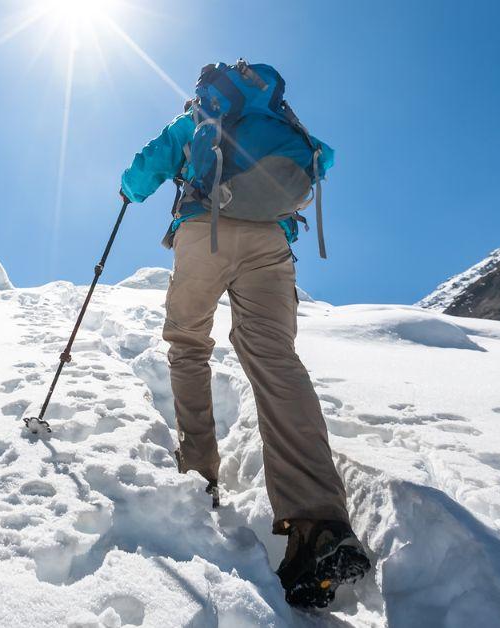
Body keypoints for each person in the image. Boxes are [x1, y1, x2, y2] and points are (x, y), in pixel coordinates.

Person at [118, 61, 372, 609]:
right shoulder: (283, 120)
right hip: (272, 245)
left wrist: (127, 189)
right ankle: (318, 524)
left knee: (188, 345)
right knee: (277, 361)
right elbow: (322, 159)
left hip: (204, 231)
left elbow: (143, 171)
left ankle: (200, 475)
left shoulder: (196, 119)